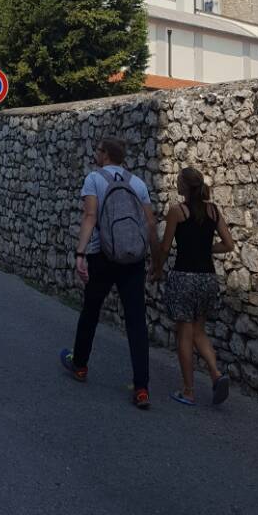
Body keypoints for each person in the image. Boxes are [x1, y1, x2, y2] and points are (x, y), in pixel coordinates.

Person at [60, 136, 160, 408]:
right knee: (136, 320)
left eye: (98, 150)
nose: (96, 154)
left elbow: (90, 217)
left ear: (104, 155)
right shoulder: (137, 183)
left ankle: (80, 365)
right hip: (133, 258)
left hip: (101, 255)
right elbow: (150, 224)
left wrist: (80, 253)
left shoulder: (94, 179)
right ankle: (141, 388)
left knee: (91, 310)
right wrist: (156, 260)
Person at [156, 166, 234, 407]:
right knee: (199, 331)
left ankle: (188, 391)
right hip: (208, 279)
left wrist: (156, 268)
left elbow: (166, 247)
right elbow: (228, 244)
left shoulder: (177, 211)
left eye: (178, 181)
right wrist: (206, 248)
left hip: (184, 278)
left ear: (185, 187)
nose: (176, 184)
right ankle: (216, 374)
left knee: (185, 335)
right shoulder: (213, 210)